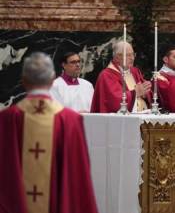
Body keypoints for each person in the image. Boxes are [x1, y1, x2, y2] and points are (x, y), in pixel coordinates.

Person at [0, 52, 98, 213]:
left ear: (23, 81)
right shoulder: (71, 121)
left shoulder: (6, 119)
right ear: (52, 78)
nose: (78, 65)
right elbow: (78, 175)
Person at [91, 41, 152, 113]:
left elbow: (145, 92)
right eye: (128, 55)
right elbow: (113, 101)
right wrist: (135, 93)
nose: (132, 58)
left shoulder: (134, 71)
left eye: (133, 54)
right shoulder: (107, 75)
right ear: (117, 58)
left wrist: (145, 92)